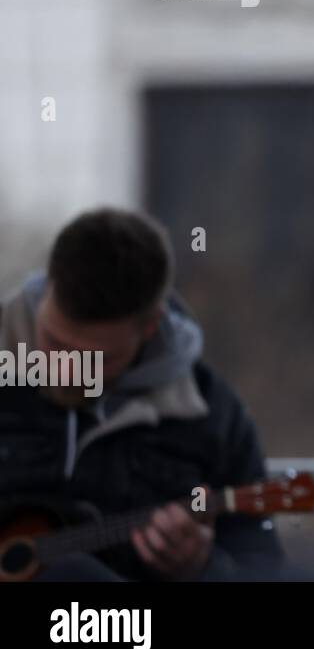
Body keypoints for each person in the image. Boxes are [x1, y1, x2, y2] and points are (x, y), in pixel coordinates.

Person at [0, 207, 285, 581]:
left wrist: (202, 567)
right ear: (47, 289)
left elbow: (259, 565)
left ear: (149, 327)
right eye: (54, 342)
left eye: (95, 359)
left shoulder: (212, 417)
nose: (66, 369)